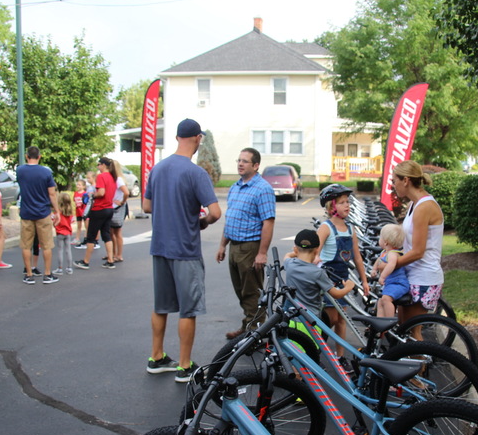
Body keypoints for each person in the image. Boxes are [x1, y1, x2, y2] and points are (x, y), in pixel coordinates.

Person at [143, 118, 221, 383]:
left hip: (160, 247)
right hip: (185, 249)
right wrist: (201, 222)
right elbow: (215, 212)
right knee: (188, 309)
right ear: (198, 139)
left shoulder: (158, 169)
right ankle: (185, 366)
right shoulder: (196, 173)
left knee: (161, 305)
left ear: (177, 138)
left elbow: (146, 206)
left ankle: (156, 357)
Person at [216, 147, 276, 339]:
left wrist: (262, 253)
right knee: (241, 292)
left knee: (252, 292)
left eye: (245, 161)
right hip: (234, 246)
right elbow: (230, 218)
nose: (240, 164)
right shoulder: (236, 186)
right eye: (239, 160)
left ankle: (256, 335)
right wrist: (222, 245)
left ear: (256, 165)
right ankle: (249, 326)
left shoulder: (262, 189)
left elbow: (268, 221)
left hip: (250, 248)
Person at [316, 184, 370, 371]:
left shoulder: (350, 229)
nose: (347, 205)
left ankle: (340, 357)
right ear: (332, 207)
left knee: (341, 320)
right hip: (327, 281)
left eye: (348, 202)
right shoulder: (326, 228)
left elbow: (357, 257)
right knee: (328, 321)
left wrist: (363, 280)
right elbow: (315, 252)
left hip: (343, 280)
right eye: (342, 202)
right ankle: (313, 353)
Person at [391, 160, 445, 331]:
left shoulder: (424, 206)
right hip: (412, 275)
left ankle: (423, 359)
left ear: (405, 180)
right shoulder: (414, 204)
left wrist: (390, 265)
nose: (393, 186)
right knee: (403, 330)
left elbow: (418, 252)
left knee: (413, 334)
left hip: (424, 277)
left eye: (394, 181)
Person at [284, 229, 354, 319]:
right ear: (317, 251)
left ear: (295, 249)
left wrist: (297, 253)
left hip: (291, 318)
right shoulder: (318, 273)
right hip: (310, 320)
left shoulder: (290, 264)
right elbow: (336, 294)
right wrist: (348, 287)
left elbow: (287, 255)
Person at [15, 146, 59, 285]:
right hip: (43, 212)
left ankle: (29, 274)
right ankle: (47, 274)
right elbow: (51, 193)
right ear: (39, 157)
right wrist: (57, 211)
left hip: (26, 213)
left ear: (27, 156)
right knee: (46, 245)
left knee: (26, 245)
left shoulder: (20, 171)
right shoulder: (46, 173)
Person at [74, 157, 117, 269]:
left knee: (91, 236)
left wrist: (92, 195)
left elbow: (101, 192)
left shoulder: (101, 176)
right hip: (109, 208)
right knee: (106, 235)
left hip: (99, 209)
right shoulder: (113, 177)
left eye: (99, 164)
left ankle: (86, 261)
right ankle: (110, 260)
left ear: (103, 165)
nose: (98, 167)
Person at [369, 223, 410, 318]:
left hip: (398, 283)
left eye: (380, 237)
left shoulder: (393, 254)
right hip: (391, 284)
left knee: (386, 299)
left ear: (386, 242)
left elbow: (391, 265)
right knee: (380, 301)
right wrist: (374, 269)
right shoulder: (384, 252)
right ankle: (381, 323)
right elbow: (378, 260)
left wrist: (382, 276)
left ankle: (389, 322)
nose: (379, 239)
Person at [109, 160, 129, 263]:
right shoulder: (114, 179)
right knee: (111, 232)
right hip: (113, 207)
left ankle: (119, 254)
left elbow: (126, 192)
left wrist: (121, 202)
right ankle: (112, 254)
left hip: (118, 208)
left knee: (117, 232)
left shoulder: (118, 179)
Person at [53, 192, 74, 275]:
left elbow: (54, 222)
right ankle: (69, 268)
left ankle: (60, 268)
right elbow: (72, 221)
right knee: (68, 250)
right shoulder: (69, 211)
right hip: (68, 232)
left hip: (60, 233)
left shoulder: (58, 212)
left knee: (60, 250)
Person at [73, 179, 87, 244]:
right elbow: (74, 201)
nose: (77, 186)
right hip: (78, 212)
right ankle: (77, 238)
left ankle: (86, 238)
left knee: (86, 226)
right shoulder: (75, 193)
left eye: (79, 185)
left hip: (84, 212)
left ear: (83, 186)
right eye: (77, 184)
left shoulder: (85, 194)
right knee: (79, 226)